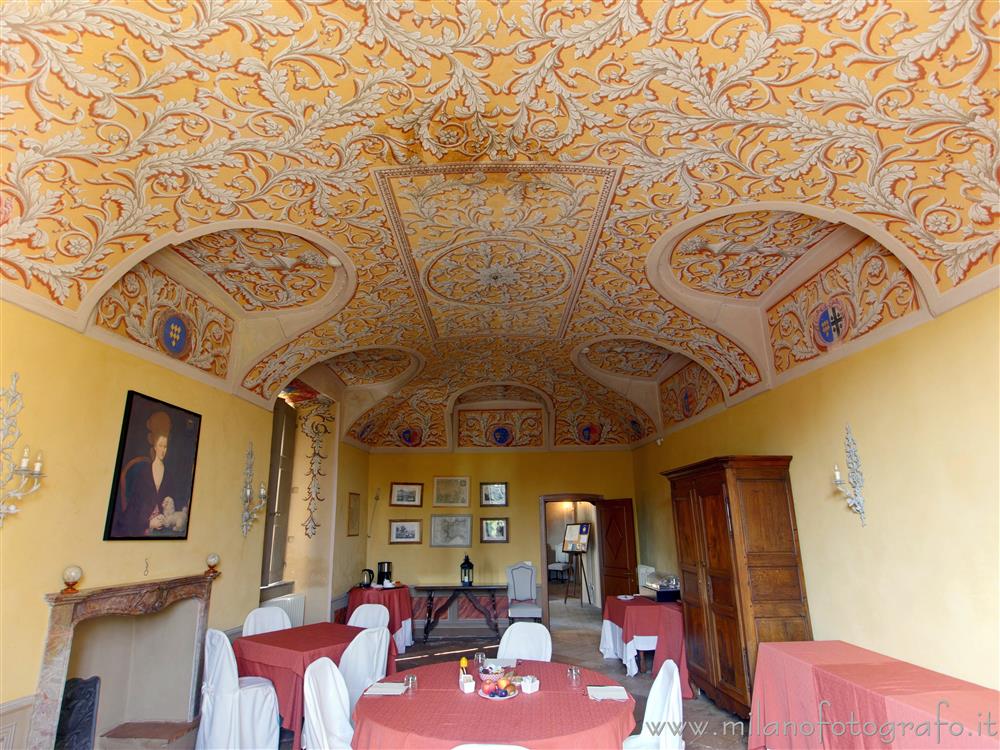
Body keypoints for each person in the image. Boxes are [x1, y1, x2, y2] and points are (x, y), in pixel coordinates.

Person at [112, 410, 188, 537]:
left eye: (166, 446)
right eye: (160, 446)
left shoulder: (169, 476)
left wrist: (166, 518)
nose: (163, 450)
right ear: (154, 446)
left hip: (163, 527)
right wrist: (148, 523)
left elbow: (173, 504)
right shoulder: (143, 472)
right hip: (143, 525)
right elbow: (134, 508)